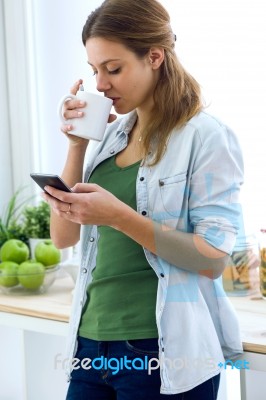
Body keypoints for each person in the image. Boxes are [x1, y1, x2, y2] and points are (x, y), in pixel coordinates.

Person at [42, 0, 244, 398]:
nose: (100, 84)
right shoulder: (110, 138)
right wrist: (76, 146)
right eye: (94, 70)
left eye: (113, 69)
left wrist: (119, 216)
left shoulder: (205, 136)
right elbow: (63, 237)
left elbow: (214, 259)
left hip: (161, 352)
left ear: (154, 57)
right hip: (90, 344)